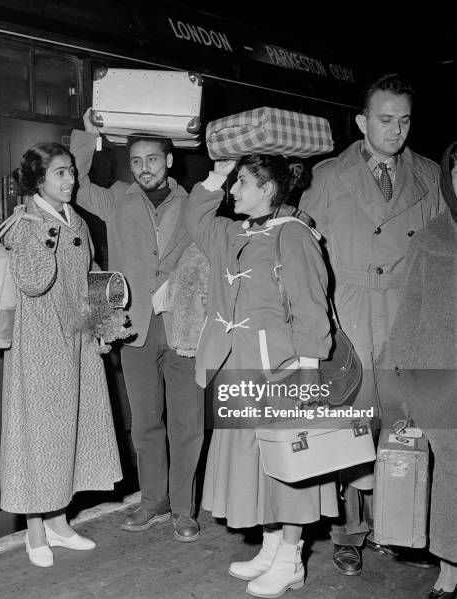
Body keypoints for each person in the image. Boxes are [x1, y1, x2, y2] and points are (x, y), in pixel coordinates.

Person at [299, 72, 442, 575]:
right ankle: (347, 532)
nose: (395, 130)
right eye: (384, 120)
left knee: (403, 427)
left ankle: (397, 525)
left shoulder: (428, 174)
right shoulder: (325, 175)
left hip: (405, 317)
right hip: (351, 314)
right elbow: (302, 252)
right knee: (348, 427)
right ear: (361, 121)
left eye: (404, 121)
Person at [185, 155, 337, 598]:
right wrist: (220, 169)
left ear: (268, 189)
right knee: (258, 466)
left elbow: (311, 304)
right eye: (232, 183)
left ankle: (291, 560)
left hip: (282, 371)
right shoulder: (234, 231)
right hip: (237, 366)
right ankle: (271, 548)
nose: (232, 191)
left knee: (290, 466)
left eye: (242, 182)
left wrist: (309, 368)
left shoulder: (294, 236)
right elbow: (195, 218)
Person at [68, 109, 204, 541]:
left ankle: (184, 509)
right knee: (145, 422)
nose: (144, 168)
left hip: (183, 328)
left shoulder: (195, 202)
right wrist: (88, 134)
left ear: (169, 161)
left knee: (187, 423)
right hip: (134, 328)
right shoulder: (118, 198)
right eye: (137, 161)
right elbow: (76, 185)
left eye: (152, 159)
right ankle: (153, 501)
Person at [0, 142, 122, 567]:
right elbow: (34, 282)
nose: (71, 180)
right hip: (39, 346)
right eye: (60, 174)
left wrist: (103, 328)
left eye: (71, 172)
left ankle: (58, 519)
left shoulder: (78, 222)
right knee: (39, 436)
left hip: (77, 341)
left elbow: (91, 276)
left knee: (69, 431)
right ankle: (35, 528)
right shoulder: (25, 224)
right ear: (38, 181)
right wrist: (43, 230)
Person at [388, 141, 457, 599]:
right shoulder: (432, 238)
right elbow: (408, 312)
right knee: (452, 473)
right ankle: (450, 568)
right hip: (441, 377)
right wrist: (397, 375)